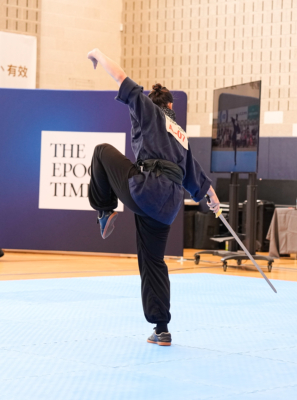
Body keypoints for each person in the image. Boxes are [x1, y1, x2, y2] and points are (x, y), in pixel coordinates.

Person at [86, 48, 220, 347]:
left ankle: (105, 210)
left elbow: (120, 77)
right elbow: (194, 174)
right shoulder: (180, 134)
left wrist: (98, 54)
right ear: (171, 105)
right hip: (168, 206)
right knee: (154, 262)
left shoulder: (147, 109)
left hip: (146, 189)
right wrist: (211, 197)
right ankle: (162, 328)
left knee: (101, 152)